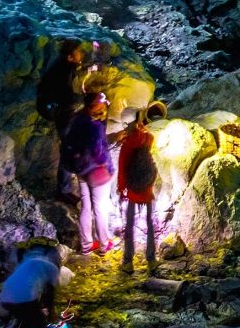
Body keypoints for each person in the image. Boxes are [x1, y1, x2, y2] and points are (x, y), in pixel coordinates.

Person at [0, 238, 67, 328]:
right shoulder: (52, 268)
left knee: (26, 321)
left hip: (4, 297)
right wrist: (51, 313)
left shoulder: (29, 261)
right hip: (23, 297)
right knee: (40, 327)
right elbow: (49, 294)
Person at [62, 90, 116, 255]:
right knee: (100, 208)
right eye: (102, 104)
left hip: (81, 170)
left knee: (86, 207)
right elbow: (99, 153)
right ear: (95, 106)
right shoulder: (94, 126)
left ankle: (86, 245)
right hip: (97, 173)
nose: (104, 106)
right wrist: (109, 169)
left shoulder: (76, 119)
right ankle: (104, 245)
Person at [116, 101, 165, 274]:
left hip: (133, 192)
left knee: (129, 225)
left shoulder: (127, 145)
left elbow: (122, 170)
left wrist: (121, 189)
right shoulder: (148, 137)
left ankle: (128, 262)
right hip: (147, 189)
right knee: (150, 224)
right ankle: (151, 260)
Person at [37, 40, 93, 137]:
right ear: (70, 57)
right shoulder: (64, 71)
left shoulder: (62, 65)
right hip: (51, 108)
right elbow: (66, 98)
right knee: (75, 107)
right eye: (78, 51)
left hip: (48, 104)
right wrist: (83, 98)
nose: (81, 53)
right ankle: (66, 136)